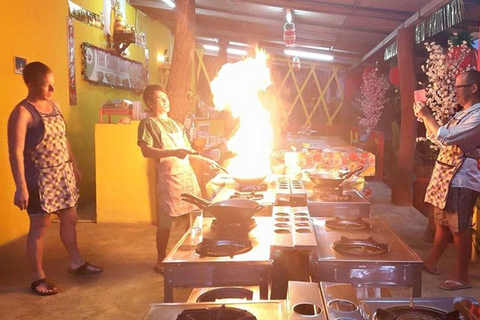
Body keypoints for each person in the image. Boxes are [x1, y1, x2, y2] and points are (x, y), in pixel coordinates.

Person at [7, 62, 102, 296]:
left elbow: (63, 139)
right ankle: (38, 277)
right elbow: (15, 152)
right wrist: (21, 187)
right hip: (39, 179)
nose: (51, 90)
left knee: (70, 218)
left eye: (52, 85)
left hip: (63, 175)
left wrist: (74, 165)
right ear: (30, 84)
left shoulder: (54, 105)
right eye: (46, 86)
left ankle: (76, 262)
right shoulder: (22, 113)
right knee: (40, 226)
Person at [137, 84, 218, 274]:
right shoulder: (148, 124)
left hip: (186, 175)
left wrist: (204, 160)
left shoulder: (176, 125)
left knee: (194, 216)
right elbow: (146, 150)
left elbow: (187, 152)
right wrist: (173, 152)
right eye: (160, 100)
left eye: (166, 99)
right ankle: (160, 259)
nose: (166, 102)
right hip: (169, 177)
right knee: (167, 221)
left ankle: (193, 253)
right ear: (150, 104)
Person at [415, 69, 480, 291]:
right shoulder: (462, 113)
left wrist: (427, 116)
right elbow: (439, 137)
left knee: (459, 228)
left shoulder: (478, 115)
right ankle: (431, 261)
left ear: (473, 88)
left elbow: (447, 136)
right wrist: (426, 119)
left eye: (458, 87)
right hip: (446, 175)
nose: (455, 92)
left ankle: (462, 276)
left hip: (462, 178)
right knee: (441, 223)